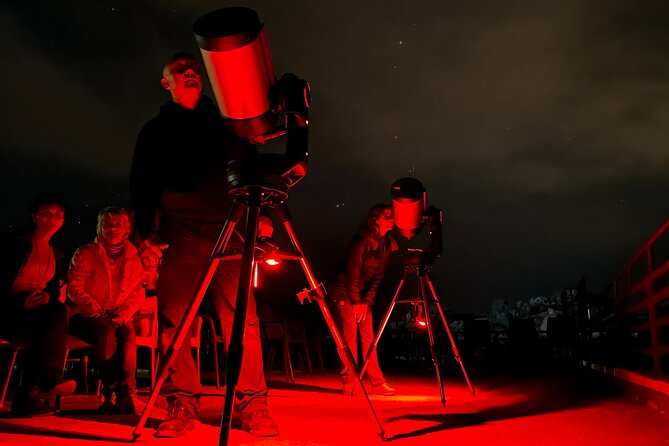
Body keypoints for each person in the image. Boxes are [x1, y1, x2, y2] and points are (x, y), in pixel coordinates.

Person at [129, 52, 278, 438]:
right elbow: (141, 182)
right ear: (167, 83)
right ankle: (182, 402)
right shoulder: (155, 131)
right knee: (174, 323)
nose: (190, 71)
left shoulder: (228, 125)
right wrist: (146, 232)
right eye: (180, 69)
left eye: (194, 68)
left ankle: (253, 404)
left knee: (241, 319)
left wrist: (264, 215)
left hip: (231, 229)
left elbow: (252, 168)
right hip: (180, 233)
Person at [0, 194, 76, 416]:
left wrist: (46, 298)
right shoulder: (14, 245)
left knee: (52, 317)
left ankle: (27, 396)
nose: (54, 218)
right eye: (48, 213)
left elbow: (52, 290)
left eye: (59, 214)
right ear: (34, 216)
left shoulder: (56, 253)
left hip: (36, 315)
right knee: (50, 326)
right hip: (8, 312)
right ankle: (46, 380)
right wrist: (20, 301)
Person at [67, 207, 145, 413]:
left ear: (126, 228)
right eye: (108, 224)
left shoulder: (132, 256)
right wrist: (94, 308)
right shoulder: (85, 253)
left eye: (118, 224)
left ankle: (127, 392)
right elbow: (74, 286)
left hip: (117, 314)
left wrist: (125, 312)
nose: (113, 228)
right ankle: (110, 392)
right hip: (85, 315)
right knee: (105, 332)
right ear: (100, 227)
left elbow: (137, 290)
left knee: (128, 335)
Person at [331, 203, 397, 396]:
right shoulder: (361, 241)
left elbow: (377, 278)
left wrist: (366, 301)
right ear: (375, 219)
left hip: (361, 293)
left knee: (368, 334)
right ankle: (348, 380)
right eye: (387, 216)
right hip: (344, 289)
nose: (391, 219)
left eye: (391, 216)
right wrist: (355, 301)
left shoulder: (387, 245)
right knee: (350, 329)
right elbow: (352, 272)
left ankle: (376, 382)